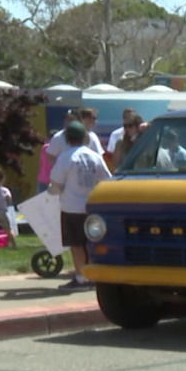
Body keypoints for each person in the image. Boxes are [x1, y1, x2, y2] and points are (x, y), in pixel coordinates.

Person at [48, 122, 112, 290]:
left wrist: (53, 193)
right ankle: (93, 275)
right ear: (85, 137)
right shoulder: (94, 156)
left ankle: (81, 277)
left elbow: (56, 182)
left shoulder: (66, 157)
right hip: (92, 207)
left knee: (76, 245)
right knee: (90, 243)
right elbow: (107, 179)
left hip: (71, 208)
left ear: (67, 138)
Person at [0, 168, 14, 247]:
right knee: (8, 230)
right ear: (2, 179)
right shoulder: (4, 190)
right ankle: (13, 245)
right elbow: (9, 199)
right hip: (2, 213)